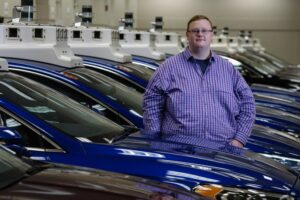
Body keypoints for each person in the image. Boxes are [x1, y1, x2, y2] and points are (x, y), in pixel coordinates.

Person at [142, 15, 256, 148]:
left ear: (211, 34)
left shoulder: (227, 69)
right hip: (179, 150)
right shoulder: (169, 67)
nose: (200, 34)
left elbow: (248, 103)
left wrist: (239, 139)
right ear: (187, 35)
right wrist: (155, 136)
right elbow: (151, 103)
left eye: (205, 30)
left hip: (222, 150)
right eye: (195, 31)